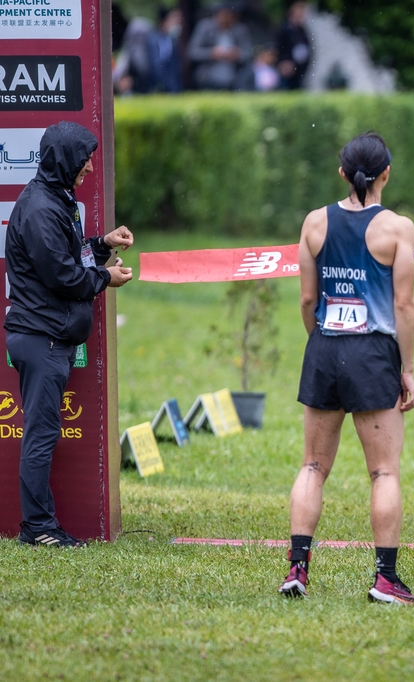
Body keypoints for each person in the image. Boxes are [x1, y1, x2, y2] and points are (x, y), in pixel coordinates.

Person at [279, 132, 414, 605]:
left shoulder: (315, 222)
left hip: (323, 348)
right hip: (373, 354)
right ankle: (385, 578)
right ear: (387, 174)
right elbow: (404, 305)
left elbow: (305, 299)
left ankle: (297, 569)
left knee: (313, 465)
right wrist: (408, 367)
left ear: (341, 173)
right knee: (383, 473)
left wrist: (319, 341)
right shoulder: (397, 228)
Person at [5, 122, 134, 548]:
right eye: (84, 159)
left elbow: (66, 256)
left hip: (50, 337)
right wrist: (105, 279)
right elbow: (62, 276)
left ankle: (40, 523)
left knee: (44, 432)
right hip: (41, 338)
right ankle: (38, 528)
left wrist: (101, 244)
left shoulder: (56, 197)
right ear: (64, 159)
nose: (90, 166)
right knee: (40, 436)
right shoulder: (41, 208)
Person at [187, 3, 252, 91]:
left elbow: (248, 53)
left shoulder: (239, 30)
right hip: (207, 78)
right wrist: (211, 53)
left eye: (231, 15)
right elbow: (192, 52)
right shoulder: (205, 27)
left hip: (234, 79)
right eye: (225, 15)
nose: (227, 18)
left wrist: (237, 55)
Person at [142, 7, 184, 93]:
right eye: (173, 19)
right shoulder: (153, 38)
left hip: (174, 84)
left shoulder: (173, 39)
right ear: (164, 20)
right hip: (157, 84)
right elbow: (155, 63)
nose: (177, 23)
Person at [276, 0, 311, 90]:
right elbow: (279, 48)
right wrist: (284, 62)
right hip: (286, 69)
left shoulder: (302, 31)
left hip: (299, 70)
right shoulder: (284, 30)